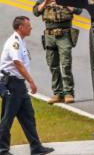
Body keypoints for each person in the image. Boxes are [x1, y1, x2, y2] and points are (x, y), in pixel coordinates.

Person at [0, 16, 54, 155]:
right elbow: (17, 63)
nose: (31, 28)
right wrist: (31, 81)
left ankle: (36, 147)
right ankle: (2, 149)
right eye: (28, 25)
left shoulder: (21, 41)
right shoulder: (14, 42)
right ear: (20, 27)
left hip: (19, 85)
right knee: (7, 118)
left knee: (28, 116)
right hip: (11, 84)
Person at [33, 0, 82, 104]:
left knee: (65, 64)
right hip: (49, 35)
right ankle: (57, 93)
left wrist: (64, 3)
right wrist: (46, 2)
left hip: (64, 34)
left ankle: (68, 92)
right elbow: (36, 11)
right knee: (52, 65)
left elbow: (79, 10)